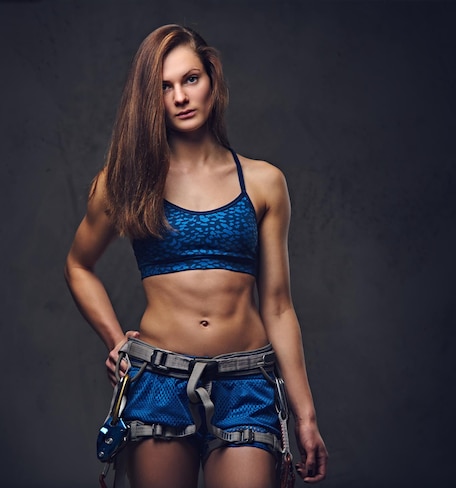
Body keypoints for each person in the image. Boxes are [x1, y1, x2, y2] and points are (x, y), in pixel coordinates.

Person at [65, 24, 328, 488]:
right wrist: (115, 339)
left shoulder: (265, 182)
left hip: (246, 383)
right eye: (164, 87)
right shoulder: (125, 180)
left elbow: (279, 305)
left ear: (212, 80)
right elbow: (78, 266)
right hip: (157, 382)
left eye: (190, 79)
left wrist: (305, 416)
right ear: (150, 99)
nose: (180, 97)